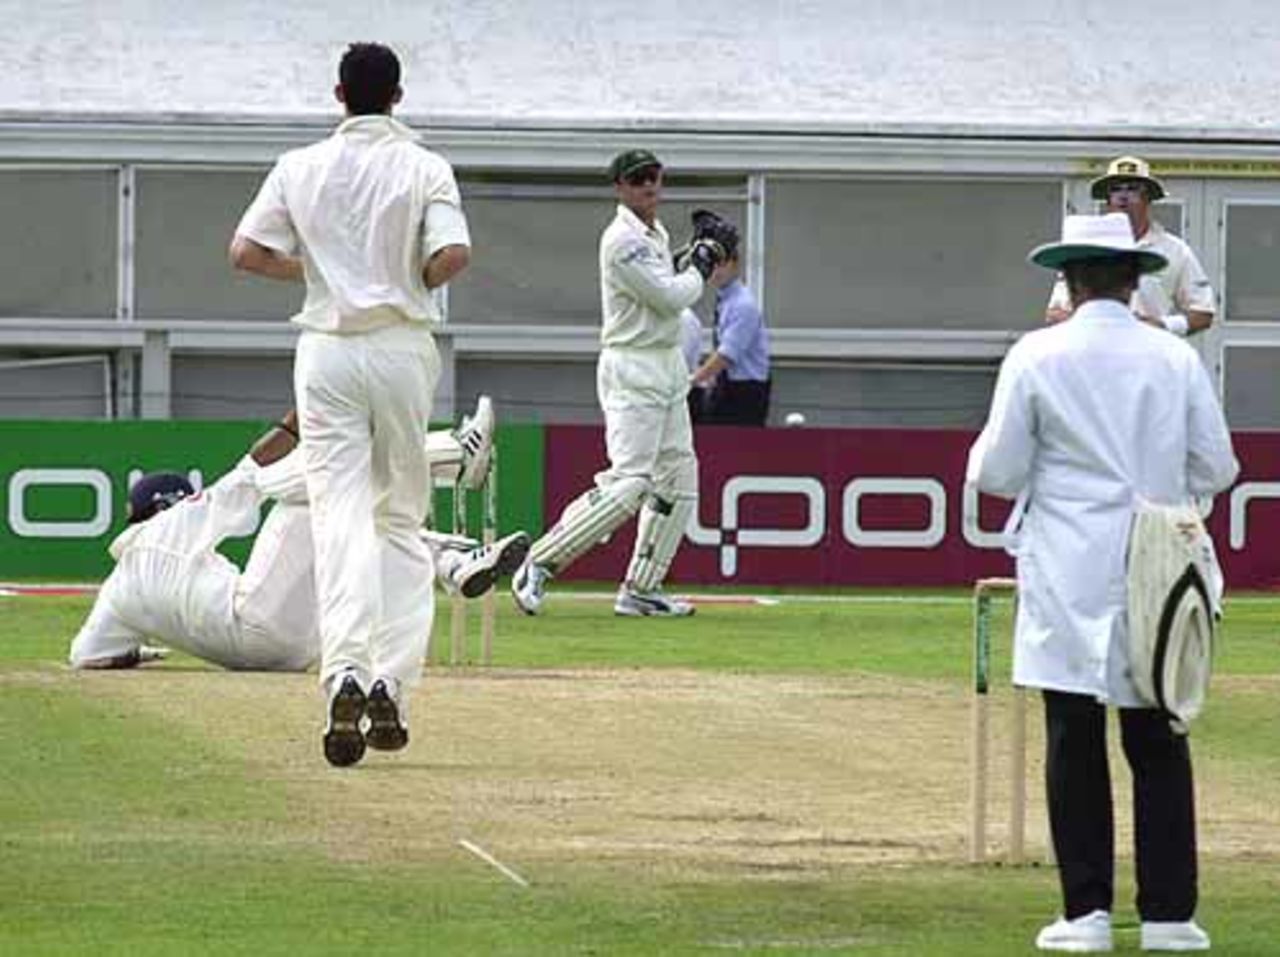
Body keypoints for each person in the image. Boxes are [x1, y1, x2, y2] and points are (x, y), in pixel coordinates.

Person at [968, 213, 1238, 953]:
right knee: (1158, 734)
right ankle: (1169, 915)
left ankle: (1086, 913)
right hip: (1159, 555)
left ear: (1071, 279)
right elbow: (1218, 467)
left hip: (1068, 562)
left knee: (1073, 731)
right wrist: (1161, 486)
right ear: (1133, 279)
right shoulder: (1172, 358)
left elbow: (997, 471)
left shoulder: (1036, 354)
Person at [230, 43, 470, 767]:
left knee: (339, 516)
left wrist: (316, 270)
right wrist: (410, 276)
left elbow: (244, 251)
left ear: (340, 93)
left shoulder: (299, 165)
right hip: (399, 345)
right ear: (397, 96)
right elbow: (453, 255)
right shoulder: (425, 165)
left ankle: (345, 674)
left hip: (326, 349)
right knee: (398, 517)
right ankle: (390, 682)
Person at [68, 404, 529, 679]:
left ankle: (454, 563)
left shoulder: (116, 590)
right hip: (271, 629)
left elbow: (87, 656)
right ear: (170, 503)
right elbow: (251, 472)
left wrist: (148, 648)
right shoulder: (176, 522)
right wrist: (298, 419)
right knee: (308, 493)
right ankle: (450, 454)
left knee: (342, 524)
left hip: (279, 651)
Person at [510, 148, 727, 618]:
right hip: (634, 367)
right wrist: (704, 261)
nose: (648, 186)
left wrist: (688, 257)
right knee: (629, 483)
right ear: (620, 188)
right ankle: (538, 563)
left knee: (679, 480)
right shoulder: (621, 240)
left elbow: (663, 284)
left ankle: (641, 590)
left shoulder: (654, 233)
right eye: (637, 180)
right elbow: (671, 298)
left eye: (653, 177)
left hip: (666, 365)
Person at [1045, 156, 1216, 343]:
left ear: (1148, 198)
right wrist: (1102, 327)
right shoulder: (1088, 248)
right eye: (1115, 189)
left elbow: (1203, 312)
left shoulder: (1175, 250)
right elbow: (1054, 314)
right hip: (1089, 352)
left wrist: (1163, 325)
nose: (1123, 196)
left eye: (1133, 189)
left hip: (1149, 353)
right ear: (1107, 200)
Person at [688, 210, 772, 425]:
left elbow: (727, 355)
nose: (715, 270)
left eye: (722, 263)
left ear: (736, 263)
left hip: (745, 393)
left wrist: (693, 380)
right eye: (711, 264)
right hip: (728, 387)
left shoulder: (743, 305)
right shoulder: (725, 300)